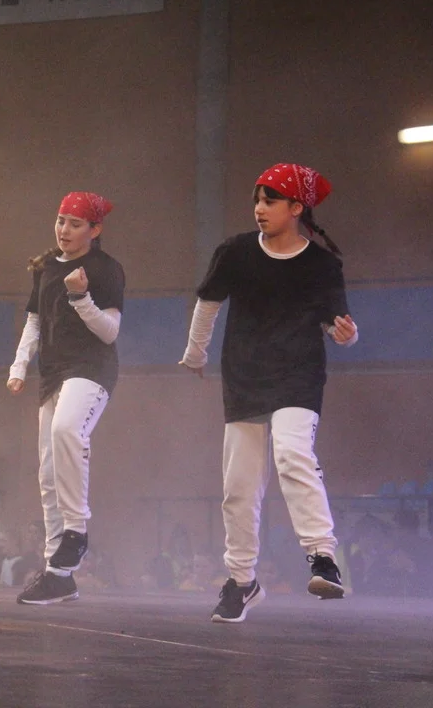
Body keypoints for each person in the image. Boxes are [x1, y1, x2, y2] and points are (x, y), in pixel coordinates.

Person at [180, 163, 358, 623]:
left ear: (296, 208)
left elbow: (336, 323)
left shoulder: (322, 264)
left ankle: (323, 558)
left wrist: (346, 335)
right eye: (257, 200)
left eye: (270, 201)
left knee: (293, 454)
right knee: (239, 487)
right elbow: (208, 303)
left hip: (299, 375)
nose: (259, 208)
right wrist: (195, 353)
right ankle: (242, 581)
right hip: (244, 376)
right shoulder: (236, 252)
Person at [7, 192, 125, 606]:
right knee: (47, 471)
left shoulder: (105, 269)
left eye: (75, 224)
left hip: (92, 369)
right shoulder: (45, 268)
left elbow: (109, 331)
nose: (64, 230)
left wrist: (81, 298)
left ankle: (76, 530)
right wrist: (19, 365)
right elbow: (34, 321)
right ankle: (58, 576)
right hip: (52, 374)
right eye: (61, 220)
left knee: (66, 430)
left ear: (95, 230)